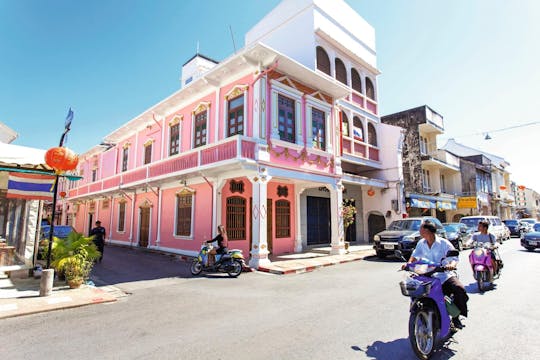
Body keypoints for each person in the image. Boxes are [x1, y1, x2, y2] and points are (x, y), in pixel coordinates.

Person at [403, 220, 469, 329]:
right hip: (425, 275)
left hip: (443, 275)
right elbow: (414, 255)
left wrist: (451, 265)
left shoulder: (444, 243)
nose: (419, 231)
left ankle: (456, 318)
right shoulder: (421, 243)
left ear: (428, 231)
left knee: (459, 289)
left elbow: (454, 257)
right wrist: (408, 264)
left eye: (421, 229)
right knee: (414, 290)